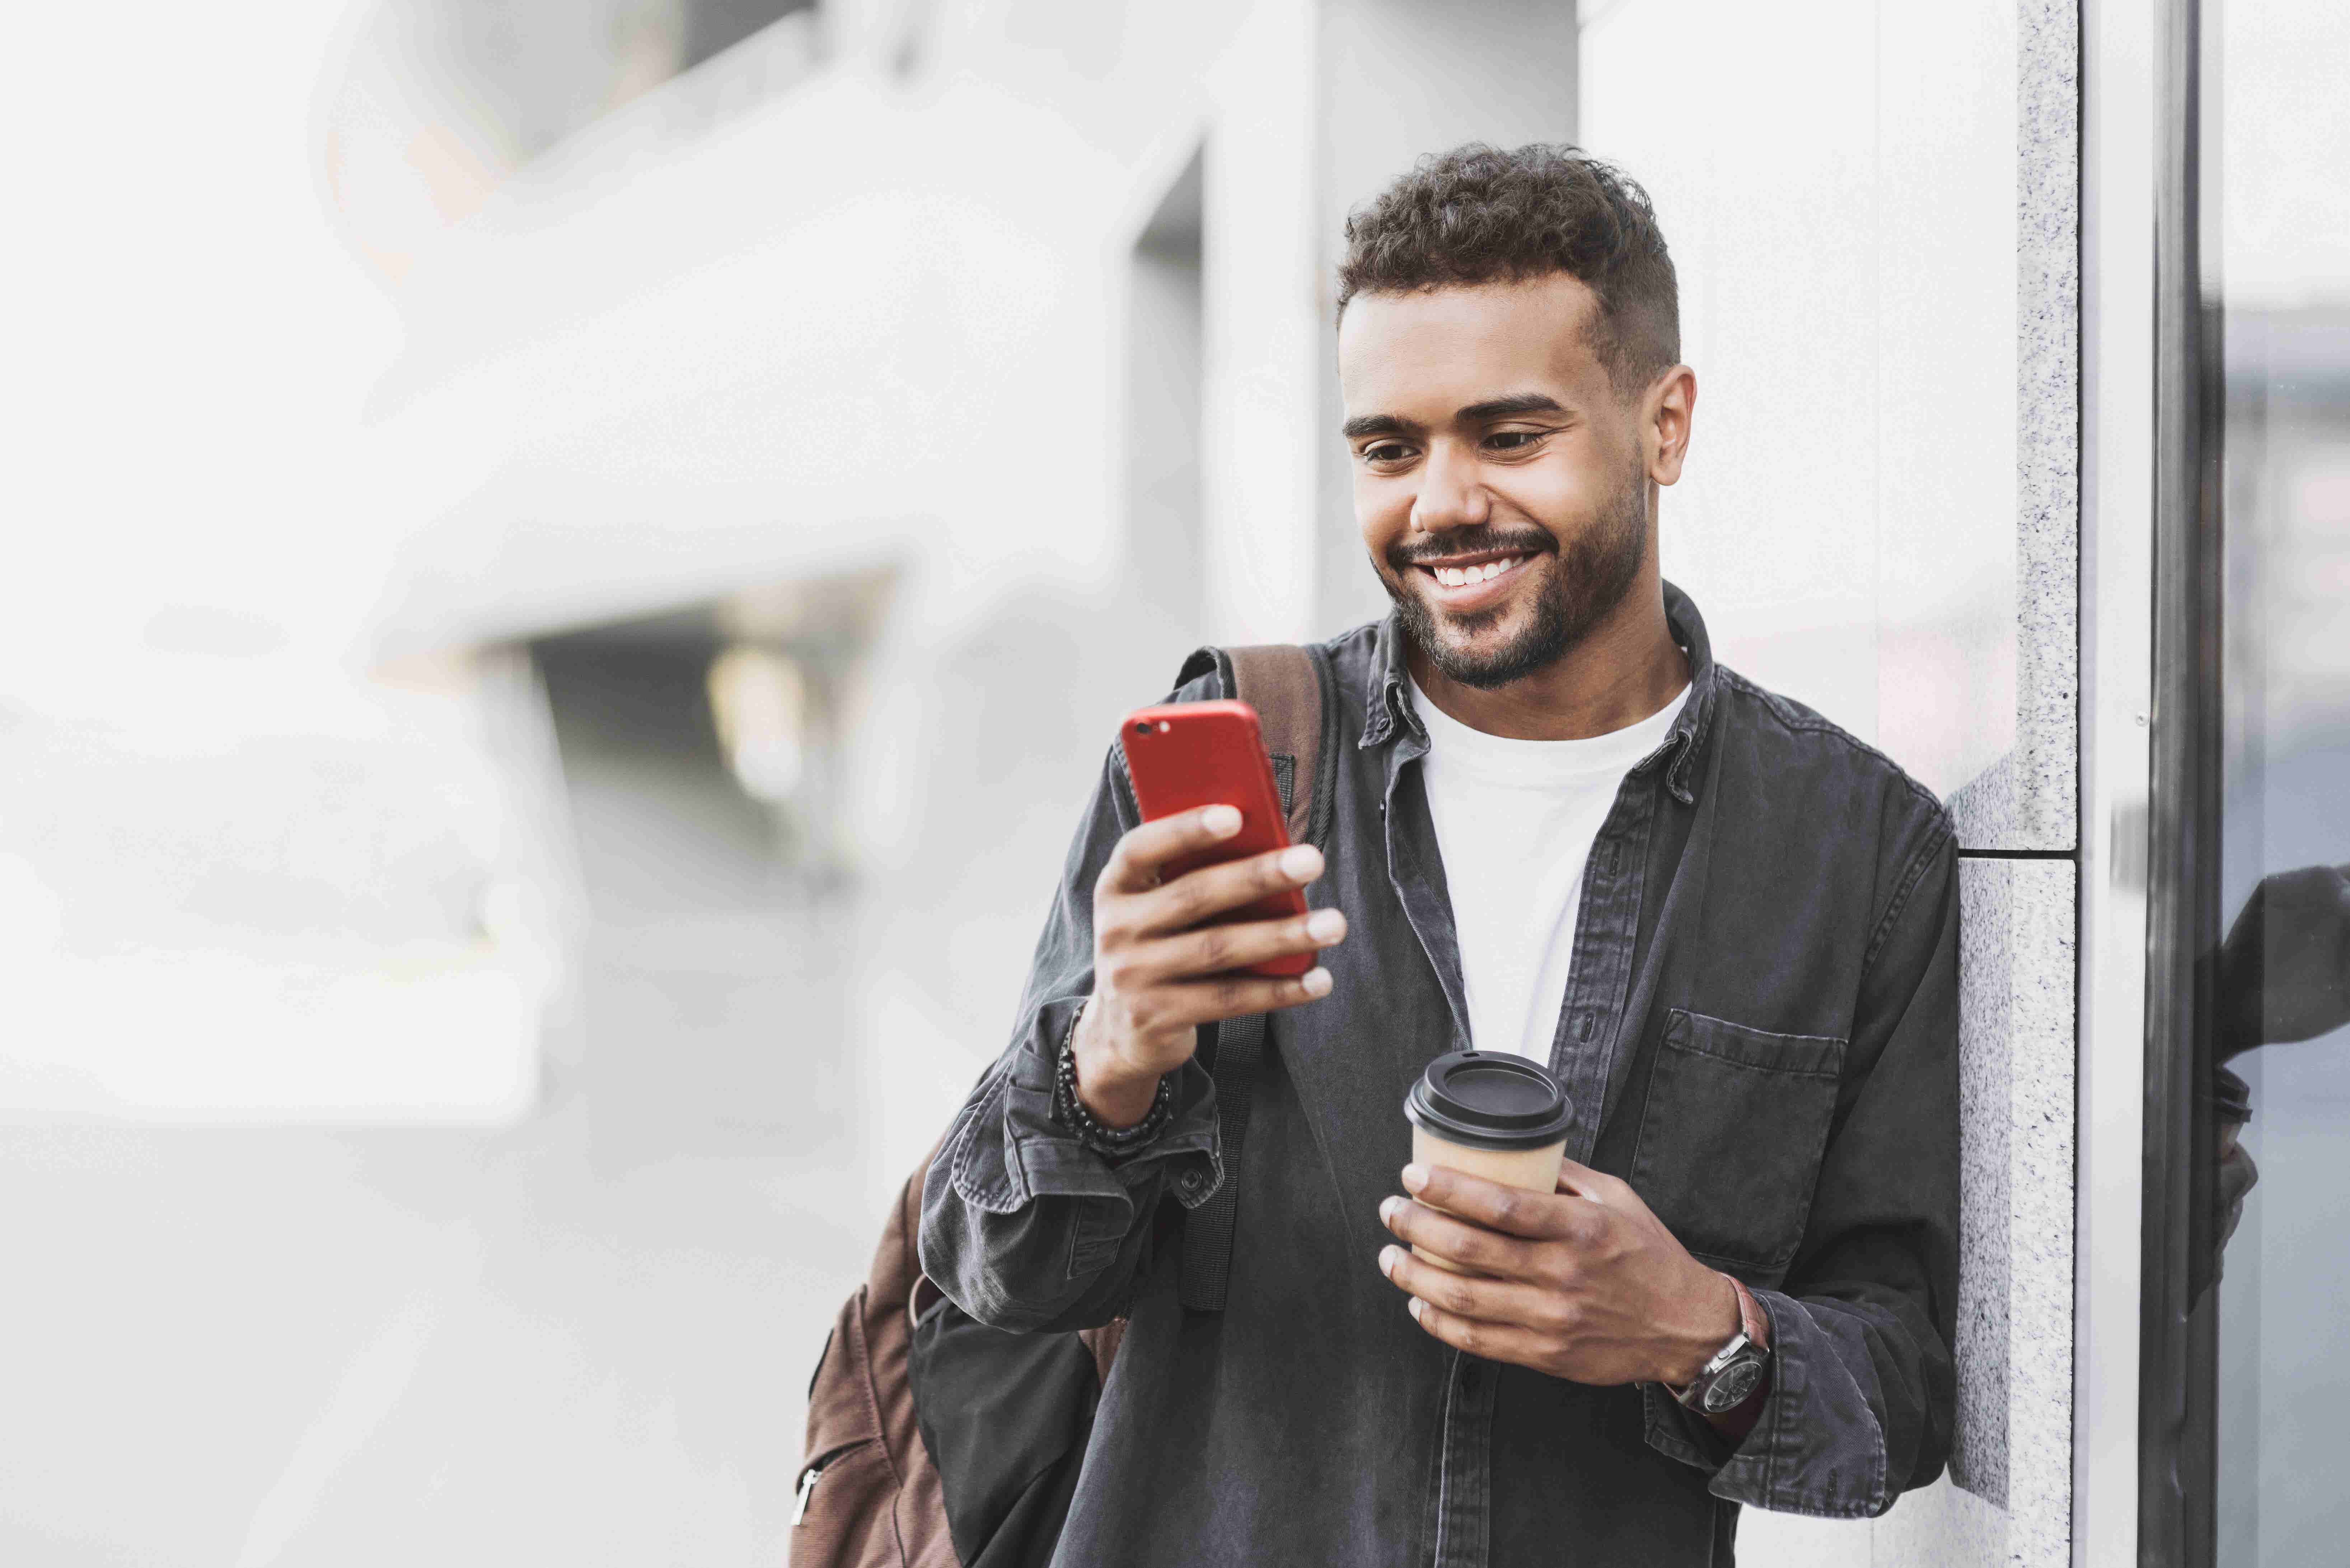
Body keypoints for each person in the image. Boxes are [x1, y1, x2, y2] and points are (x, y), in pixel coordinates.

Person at [918, 143, 1959, 1565]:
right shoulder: (1238, 764)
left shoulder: (1854, 850)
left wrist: (1699, 1331)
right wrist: (1108, 1064)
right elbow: (993, 1269)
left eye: (1508, 434)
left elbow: (1901, 1390)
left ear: (1664, 425)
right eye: (1388, 448)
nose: (1438, 505)